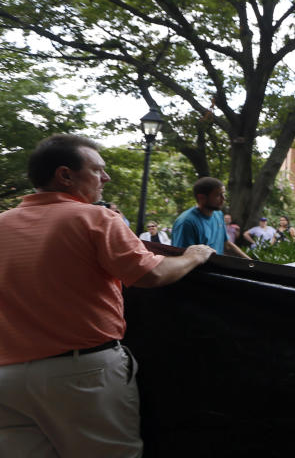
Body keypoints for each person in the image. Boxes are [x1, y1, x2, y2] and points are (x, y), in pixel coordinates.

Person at [0, 134, 215, 456]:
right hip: (83, 375)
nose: (106, 177)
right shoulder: (95, 217)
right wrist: (194, 256)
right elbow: (151, 274)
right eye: (98, 169)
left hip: (8, 378)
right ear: (65, 175)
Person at [171, 178, 251, 259]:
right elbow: (181, 258)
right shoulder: (187, 222)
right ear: (201, 198)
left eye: (223, 194)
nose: (223, 198)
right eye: (218, 195)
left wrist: (251, 262)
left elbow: (226, 244)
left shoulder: (218, 214)